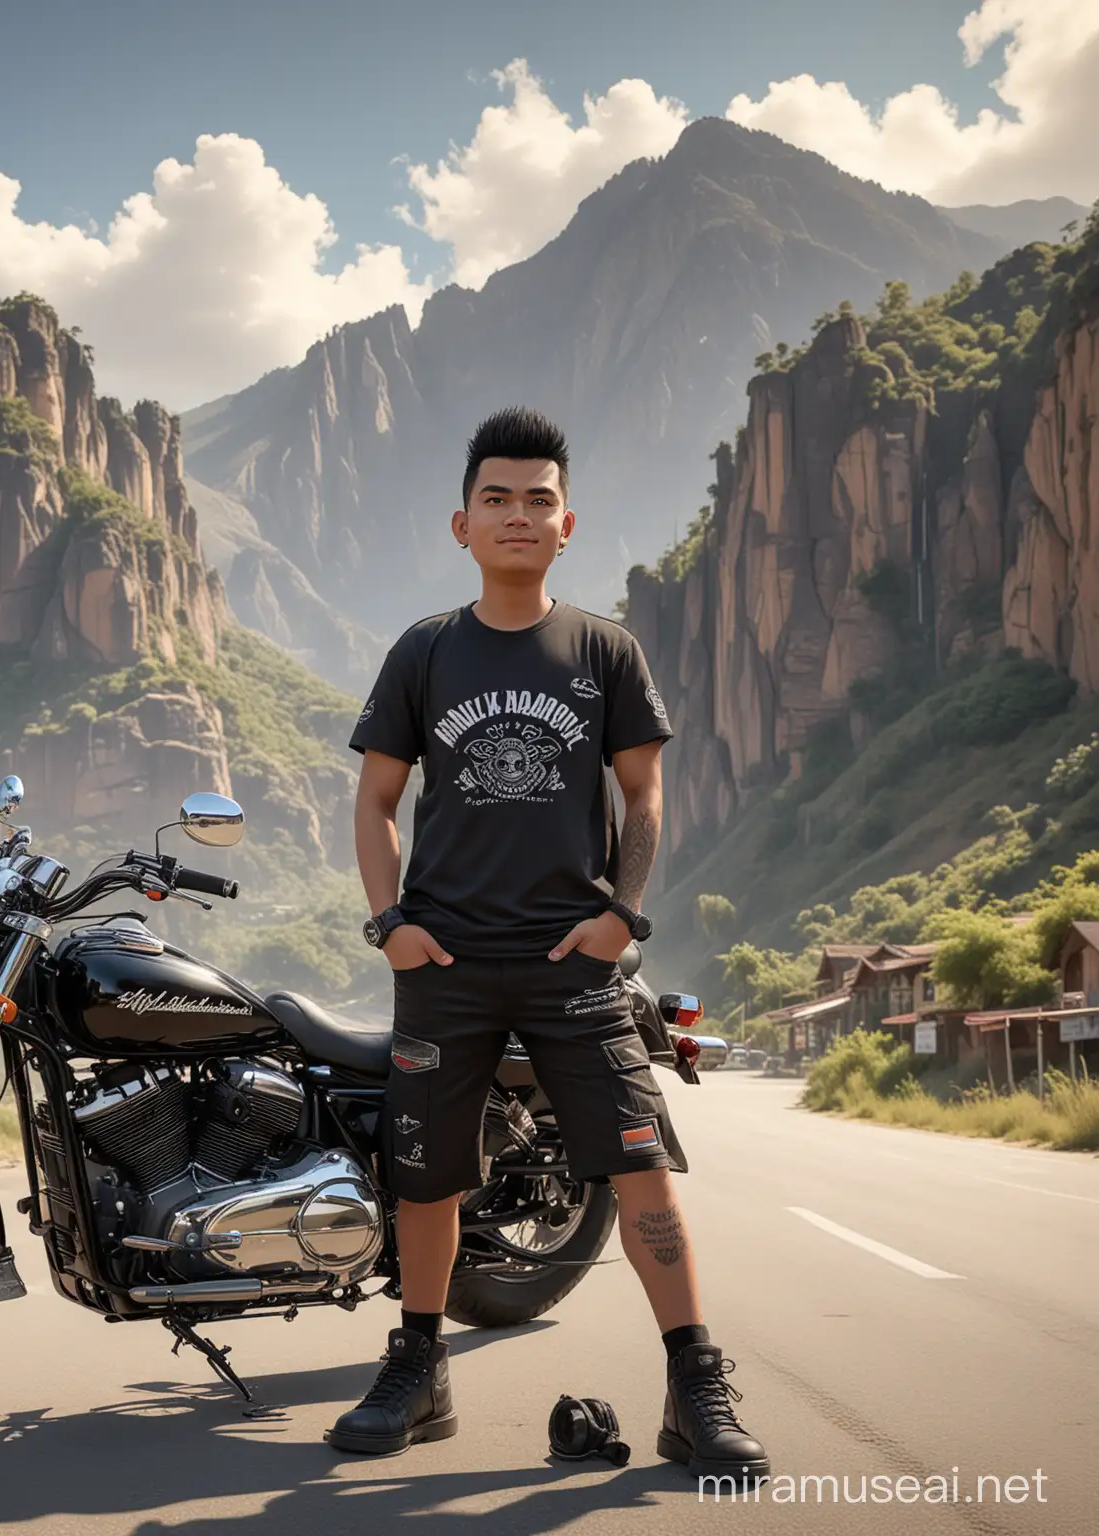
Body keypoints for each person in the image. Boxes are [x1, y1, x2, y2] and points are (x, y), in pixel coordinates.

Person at [330, 407, 769, 1482]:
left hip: (576, 966)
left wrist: (621, 917)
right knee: (424, 1181)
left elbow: (644, 790)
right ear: (461, 524)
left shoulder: (603, 650)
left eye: (538, 499)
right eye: (497, 498)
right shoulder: (424, 653)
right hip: (445, 968)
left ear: (565, 524)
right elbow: (377, 798)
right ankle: (419, 1368)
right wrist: (392, 924)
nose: (517, 515)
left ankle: (694, 1387)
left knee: (643, 1174)